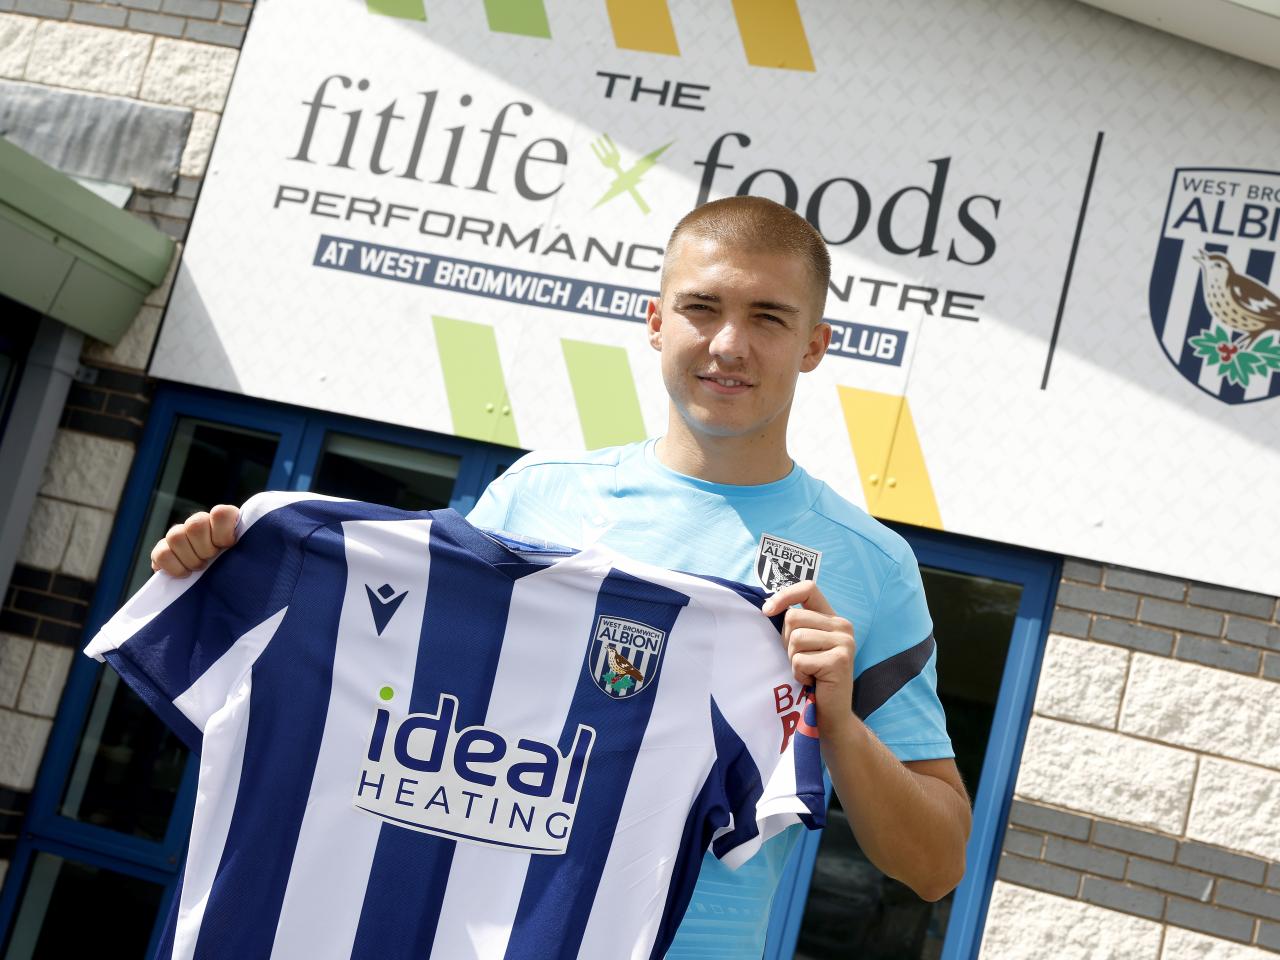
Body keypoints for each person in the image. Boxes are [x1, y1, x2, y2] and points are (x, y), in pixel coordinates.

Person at [149, 196, 972, 957]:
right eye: (701, 308)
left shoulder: (870, 567)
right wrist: (236, 571)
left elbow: (936, 867)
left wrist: (840, 724)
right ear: (655, 322)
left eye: (768, 317)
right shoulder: (535, 497)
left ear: (814, 345)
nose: (729, 344)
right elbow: (393, 691)